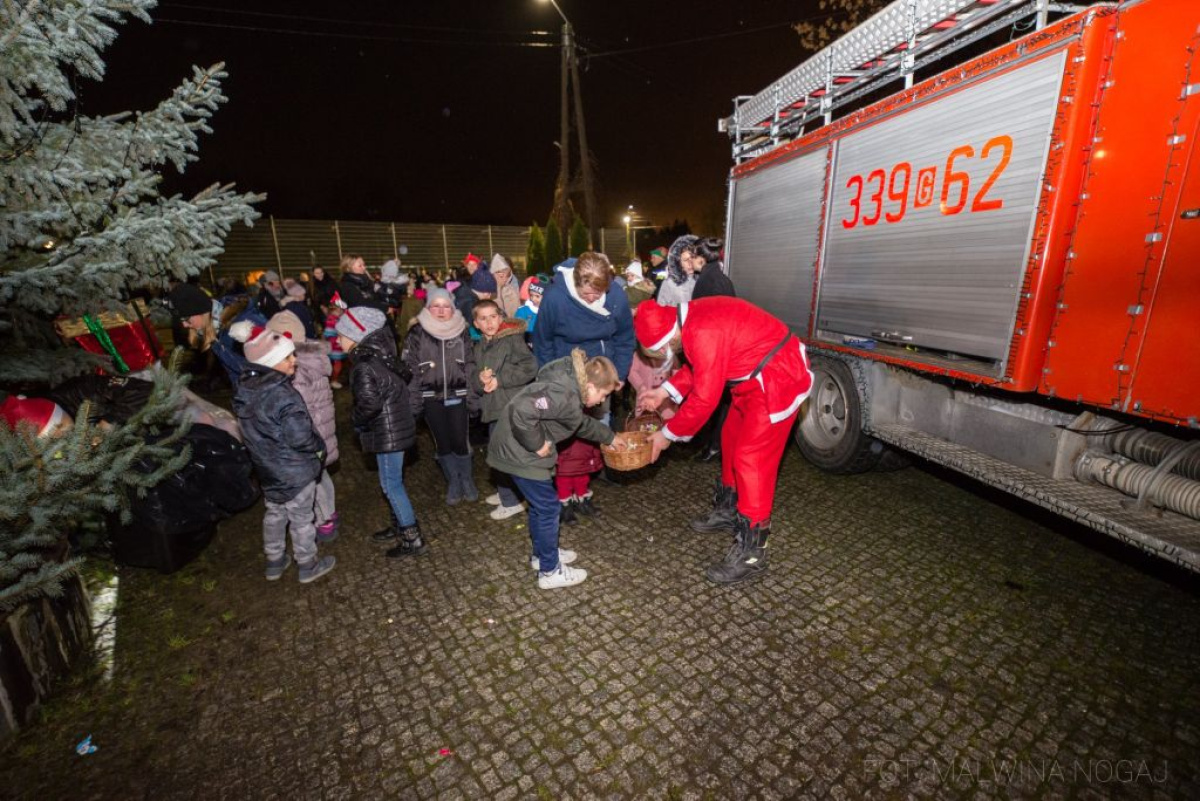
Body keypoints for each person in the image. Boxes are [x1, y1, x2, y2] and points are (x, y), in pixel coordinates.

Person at [635, 298, 813, 585]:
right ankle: (731, 508)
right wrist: (664, 392)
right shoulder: (690, 321)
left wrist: (667, 435)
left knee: (751, 458)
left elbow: (704, 398)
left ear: (668, 341)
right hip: (754, 380)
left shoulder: (701, 331)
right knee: (731, 436)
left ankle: (753, 553)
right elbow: (702, 365)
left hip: (776, 378)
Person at [486, 350, 630, 589]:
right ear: (591, 386)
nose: (601, 402)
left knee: (540, 506)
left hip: (518, 449)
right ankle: (550, 571)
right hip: (520, 453)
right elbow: (521, 410)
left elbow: (578, 422)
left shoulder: (570, 388)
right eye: (603, 395)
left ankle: (542, 555)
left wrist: (609, 437)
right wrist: (537, 443)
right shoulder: (564, 394)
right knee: (548, 507)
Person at [232, 326, 335, 584]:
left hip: (268, 470)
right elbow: (300, 437)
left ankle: (274, 561)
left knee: (275, 514)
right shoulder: (283, 394)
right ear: (270, 362)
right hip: (296, 470)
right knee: (302, 518)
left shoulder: (245, 390)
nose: (294, 361)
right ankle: (307, 563)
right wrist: (318, 448)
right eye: (287, 357)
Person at [533, 252, 636, 505]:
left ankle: (591, 472)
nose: (592, 298)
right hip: (566, 372)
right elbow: (543, 341)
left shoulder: (616, 296)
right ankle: (563, 482)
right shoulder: (555, 297)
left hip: (602, 371)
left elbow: (625, 337)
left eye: (598, 294)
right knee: (566, 426)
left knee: (600, 420)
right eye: (587, 293)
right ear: (576, 282)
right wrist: (549, 380)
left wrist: (620, 374)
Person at [336, 306, 427, 558]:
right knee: (393, 482)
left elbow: (369, 404)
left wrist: (355, 419)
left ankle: (412, 537)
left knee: (391, 485)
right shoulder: (384, 355)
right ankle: (400, 524)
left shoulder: (364, 366)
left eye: (341, 335)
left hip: (387, 433)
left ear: (357, 335)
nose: (338, 340)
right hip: (396, 427)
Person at [267, 311, 339, 542]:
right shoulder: (313, 357)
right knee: (321, 476)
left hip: (309, 436)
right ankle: (329, 514)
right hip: (322, 431)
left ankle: (324, 521)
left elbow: (300, 411)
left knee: (313, 481)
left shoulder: (295, 370)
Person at [403, 288, 480, 505]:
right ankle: (453, 481)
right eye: (435, 305)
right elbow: (410, 369)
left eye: (446, 306)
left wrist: (473, 397)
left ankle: (466, 479)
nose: (441, 310)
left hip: (459, 394)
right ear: (428, 307)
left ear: (453, 309)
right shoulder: (417, 332)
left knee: (460, 440)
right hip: (430, 397)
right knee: (442, 442)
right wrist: (414, 402)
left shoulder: (462, 330)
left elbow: (471, 365)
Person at [471, 300, 537, 520]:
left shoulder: (511, 339)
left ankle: (512, 501)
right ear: (476, 324)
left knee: (504, 454)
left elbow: (529, 366)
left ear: (500, 317)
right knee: (499, 452)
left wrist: (500, 380)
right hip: (493, 407)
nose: (489, 322)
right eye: (483, 318)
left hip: (510, 406)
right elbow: (474, 378)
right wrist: (481, 380)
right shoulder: (480, 345)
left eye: (493, 316)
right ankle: (506, 492)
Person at [674, 236, 737, 462]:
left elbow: (703, 320)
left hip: (713, 350)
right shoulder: (718, 278)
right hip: (721, 348)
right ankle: (713, 444)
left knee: (712, 399)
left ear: (701, 258)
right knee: (720, 401)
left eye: (692, 257)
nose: (690, 262)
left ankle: (712, 444)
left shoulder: (708, 282)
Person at [168, 281, 265, 389]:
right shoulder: (215, 330)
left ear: (201, 311)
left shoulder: (244, 323)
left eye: (186, 318)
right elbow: (236, 374)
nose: (184, 325)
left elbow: (271, 364)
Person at [655, 237, 699, 308]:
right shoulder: (670, 282)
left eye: (693, 258)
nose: (690, 263)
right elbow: (661, 307)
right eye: (686, 260)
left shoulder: (703, 279)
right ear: (678, 262)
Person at [489, 254, 522, 318]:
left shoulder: (511, 291)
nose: (505, 279)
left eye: (507, 276)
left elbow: (518, 312)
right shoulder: (488, 292)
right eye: (501, 276)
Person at [323, 305, 348, 389]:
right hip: (335, 346)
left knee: (334, 363)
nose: (340, 312)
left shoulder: (336, 319)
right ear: (332, 311)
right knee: (337, 364)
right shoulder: (332, 320)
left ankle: (331, 379)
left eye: (341, 310)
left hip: (335, 346)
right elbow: (328, 334)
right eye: (338, 310)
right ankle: (333, 380)